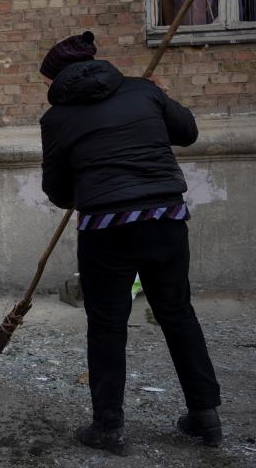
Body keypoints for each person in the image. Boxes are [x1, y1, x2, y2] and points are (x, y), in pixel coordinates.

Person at [39, 31, 222, 455]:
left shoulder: (56, 119)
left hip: (105, 228)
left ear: (57, 78)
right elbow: (187, 131)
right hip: (164, 218)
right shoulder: (142, 91)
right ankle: (205, 416)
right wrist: (162, 97)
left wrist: (86, 185)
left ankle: (107, 427)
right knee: (177, 314)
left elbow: (59, 193)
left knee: (106, 324)